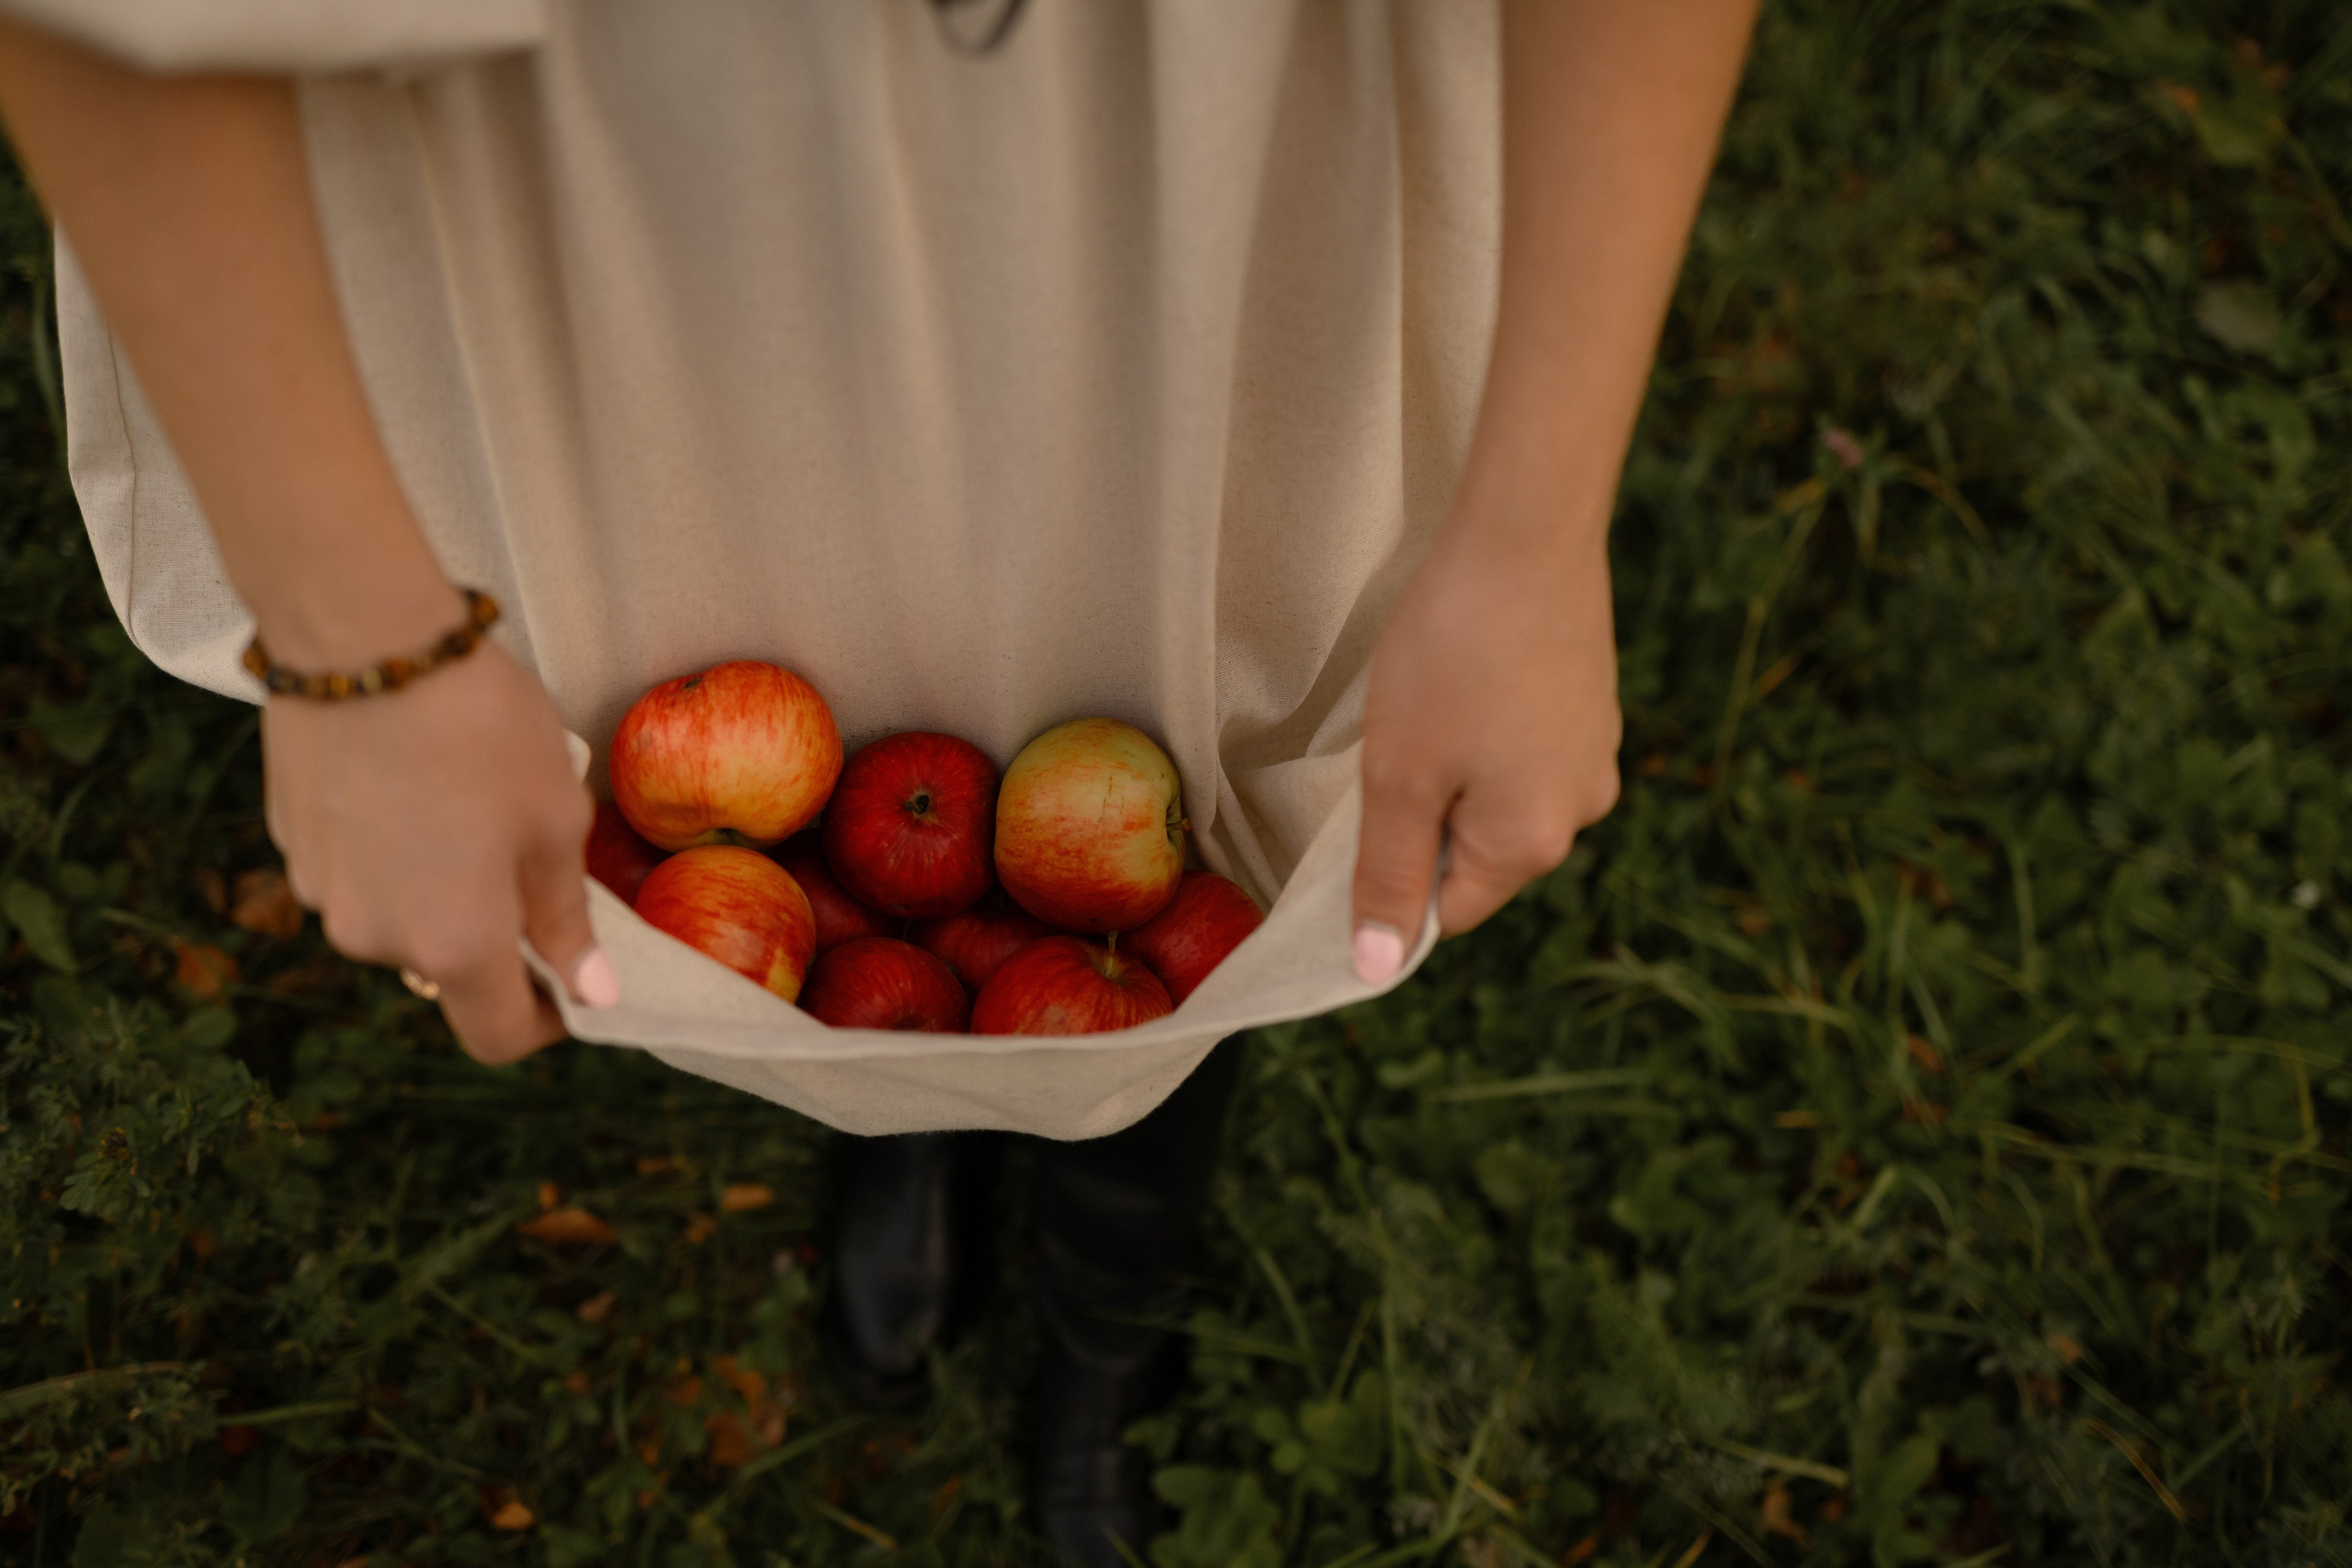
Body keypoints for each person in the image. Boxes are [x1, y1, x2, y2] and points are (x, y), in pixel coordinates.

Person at [0, 2, 1758, 1560]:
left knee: (1208, 870)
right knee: (888, 924)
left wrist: (1533, 533)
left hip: (1210, 208)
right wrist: (357, 640)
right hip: (688, 248)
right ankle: (916, 1115)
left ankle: (1106, 1295)